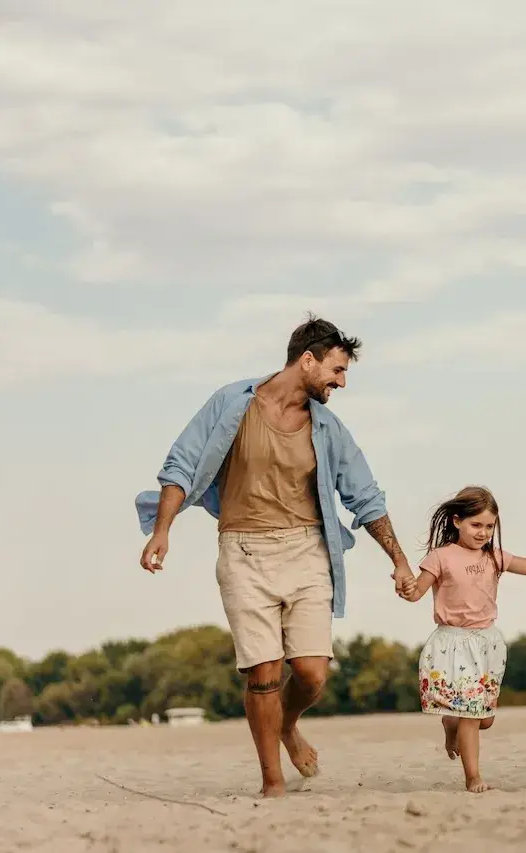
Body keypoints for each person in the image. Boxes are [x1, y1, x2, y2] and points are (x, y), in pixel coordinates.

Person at [134, 315, 417, 798]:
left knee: (311, 672)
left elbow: (364, 496)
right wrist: (163, 531)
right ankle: (272, 781)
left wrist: (400, 560)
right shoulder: (231, 404)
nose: (342, 382)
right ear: (307, 360)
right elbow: (180, 463)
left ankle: (287, 726)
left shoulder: (327, 427)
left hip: (307, 549)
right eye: (337, 370)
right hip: (243, 549)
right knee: (263, 672)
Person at [402, 486, 526, 793]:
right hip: (453, 644)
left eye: (489, 526)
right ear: (456, 521)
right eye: (476, 525)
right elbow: (416, 592)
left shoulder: (494, 557)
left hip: (488, 645)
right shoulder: (440, 557)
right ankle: (473, 777)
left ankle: (450, 723)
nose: (483, 532)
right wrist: (405, 587)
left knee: (483, 720)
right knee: (471, 716)